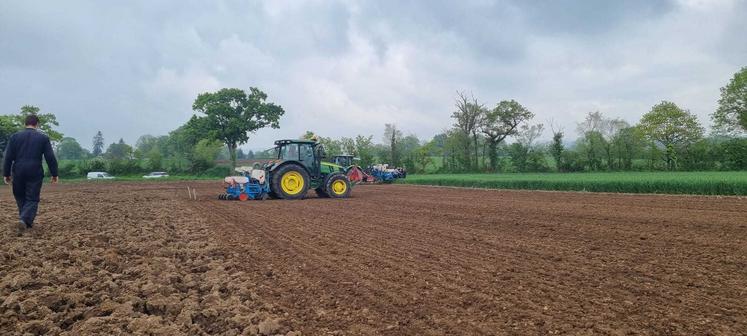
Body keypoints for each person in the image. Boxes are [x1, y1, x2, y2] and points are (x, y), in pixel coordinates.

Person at [2, 115, 58, 235]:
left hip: (18, 170)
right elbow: (50, 157)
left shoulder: (15, 137)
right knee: (32, 198)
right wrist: (54, 173)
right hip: (35, 171)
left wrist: (6, 173)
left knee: (19, 195)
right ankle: (24, 219)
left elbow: (8, 157)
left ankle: (25, 221)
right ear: (37, 124)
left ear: (25, 124)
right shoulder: (43, 138)